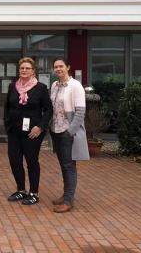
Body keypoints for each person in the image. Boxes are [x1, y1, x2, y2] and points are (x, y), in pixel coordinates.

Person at [4, 57, 53, 205]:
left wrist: (40, 127)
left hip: (32, 132)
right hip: (14, 131)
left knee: (32, 161)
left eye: (27, 68)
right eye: (22, 68)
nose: (24, 71)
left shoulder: (41, 88)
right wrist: (7, 125)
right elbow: (7, 107)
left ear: (33, 71)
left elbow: (49, 110)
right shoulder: (13, 86)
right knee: (14, 160)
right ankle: (21, 190)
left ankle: (34, 193)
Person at [49, 58, 89, 213]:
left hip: (67, 132)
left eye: (61, 66)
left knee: (69, 166)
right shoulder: (55, 85)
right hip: (56, 130)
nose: (58, 69)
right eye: (56, 66)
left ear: (68, 67)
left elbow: (80, 113)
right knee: (63, 165)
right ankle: (66, 195)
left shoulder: (75, 86)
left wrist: (70, 132)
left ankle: (68, 200)